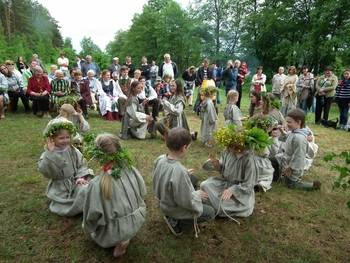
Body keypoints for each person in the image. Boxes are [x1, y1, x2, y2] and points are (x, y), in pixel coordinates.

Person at [82, 133, 146, 257]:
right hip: (137, 221)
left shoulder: (96, 185)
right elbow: (143, 192)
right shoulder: (131, 170)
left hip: (112, 234)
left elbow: (92, 215)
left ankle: (120, 238)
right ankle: (127, 234)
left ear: (97, 156)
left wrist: (87, 229)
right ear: (120, 149)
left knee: (94, 229)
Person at [153, 127, 215, 236]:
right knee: (210, 213)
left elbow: (165, 176)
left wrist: (185, 173)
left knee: (193, 179)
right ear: (184, 147)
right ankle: (174, 219)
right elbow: (185, 200)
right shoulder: (179, 171)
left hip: (163, 199)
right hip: (171, 207)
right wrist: (196, 195)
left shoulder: (160, 158)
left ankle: (172, 215)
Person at [200, 125, 267, 218]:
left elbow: (249, 185)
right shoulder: (227, 151)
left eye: (231, 146)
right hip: (225, 184)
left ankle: (218, 206)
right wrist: (218, 166)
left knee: (220, 204)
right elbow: (224, 170)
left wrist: (233, 190)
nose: (228, 148)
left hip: (240, 193)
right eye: (228, 145)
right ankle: (214, 203)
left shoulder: (249, 160)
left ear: (240, 145)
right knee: (205, 185)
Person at [38, 117, 93, 216]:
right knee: (64, 205)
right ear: (52, 138)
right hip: (60, 188)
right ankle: (74, 206)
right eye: (61, 138)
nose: (65, 140)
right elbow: (46, 171)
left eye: (67, 137)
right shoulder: (48, 154)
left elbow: (81, 164)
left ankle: (82, 202)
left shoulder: (72, 150)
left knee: (86, 189)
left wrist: (80, 177)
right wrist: (51, 154)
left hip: (75, 181)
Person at [274, 109, 321, 190]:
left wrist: (290, 168)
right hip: (285, 162)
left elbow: (299, 157)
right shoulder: (294, 132)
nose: (287, 124)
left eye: (289, 122)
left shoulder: (299, 138)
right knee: (270, 161)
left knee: (290, 184)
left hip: (292, 169)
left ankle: (312, 186)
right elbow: (286, 137)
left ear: (298, 122)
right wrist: (281, 130)